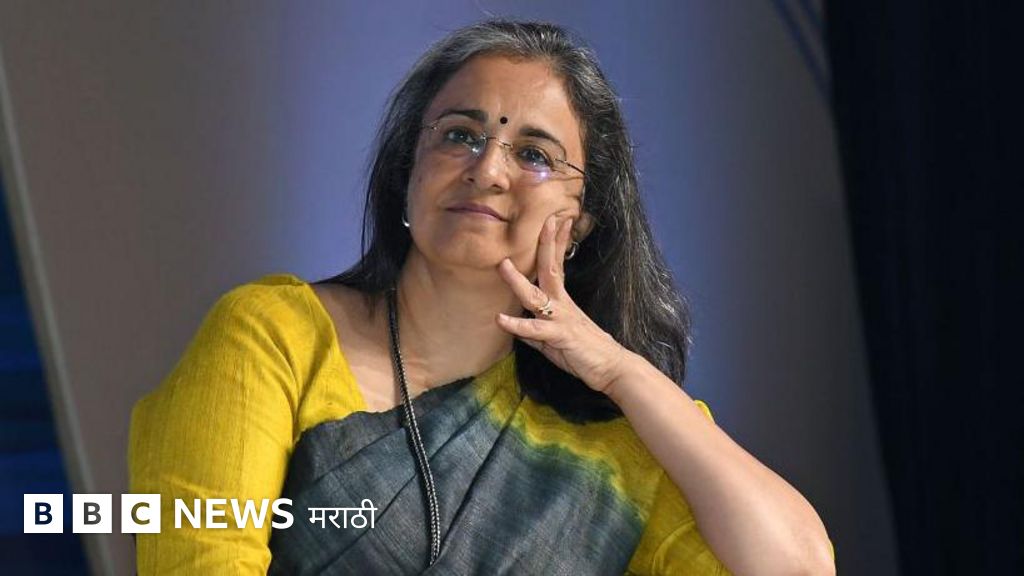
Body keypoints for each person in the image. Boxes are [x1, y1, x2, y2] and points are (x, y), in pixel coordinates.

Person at [129, 19, 834, 575]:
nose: (488, 169)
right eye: (459, 136)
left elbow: (797, 566)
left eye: (534, 154)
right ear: (409, 174)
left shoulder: (614, 449)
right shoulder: (275, 336)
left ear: (580, 222)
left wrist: (622, 372)